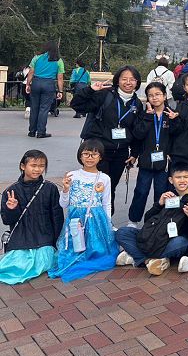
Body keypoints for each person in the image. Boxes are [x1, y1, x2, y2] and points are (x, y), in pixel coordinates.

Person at [70, 65, 144, 215]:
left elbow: (136, 131)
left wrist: (134, 153)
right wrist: (90, 90)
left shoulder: (137, 104)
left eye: (132, 79)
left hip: (120, 153)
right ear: (117, 80)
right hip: (99, 151)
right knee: (97, 186)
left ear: (137, 82)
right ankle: (90, 219)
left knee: (111, 187)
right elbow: (77, 105)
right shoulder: (105, 95)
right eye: (124, 79)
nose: (128, 82)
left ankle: (106, 220)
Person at [115, 163, 188, 275]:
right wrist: (159, 204)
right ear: (171, 180)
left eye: (186, 177)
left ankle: (138, 257)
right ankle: (149, 260)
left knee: (181, 243)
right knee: (122, 232)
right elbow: (147, 220)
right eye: (178, 177)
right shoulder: (168, 195)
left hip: (171, 241)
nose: (182, 180)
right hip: (153, 236)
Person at [49, 140, 117, 282]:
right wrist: (65, 189)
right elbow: (63, 204)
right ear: (80, 156)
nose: (89, 158)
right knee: (74, 245)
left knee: (96, 247)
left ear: (100, 157)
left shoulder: (104, 178)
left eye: (94, 154)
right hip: (75, 219)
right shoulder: (72, 175)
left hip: (96, 218)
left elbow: (106, 203)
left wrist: (108, 224)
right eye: (86, 154)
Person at [0, 150, 63, 284]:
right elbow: (7, 220)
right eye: (33, 165)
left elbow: (57, 217)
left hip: (44, 239)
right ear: (23, 166)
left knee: (43, 262)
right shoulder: (10, 191)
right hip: (21, 239)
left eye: (41, 166)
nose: (37, 169)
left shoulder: (50, 188)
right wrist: (11, 209)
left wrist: (57, 242)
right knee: (13, 268)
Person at [129, 83, 181, 227]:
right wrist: (147, 117)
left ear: (164, 96)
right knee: (141, 191)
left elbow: (177, 135)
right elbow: (137, 135)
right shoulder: (143, 114)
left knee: (161, 193)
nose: (154, 98)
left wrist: (174, 120)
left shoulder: (171, 114)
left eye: (158, 94)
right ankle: (133, 220)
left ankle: (158, 221)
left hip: (164, 163)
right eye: (150, 95)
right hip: (146, 161)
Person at [25, 41, 64, 138]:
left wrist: (28, 84)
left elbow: (31, 72)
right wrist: (60, 91)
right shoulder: (58, 61)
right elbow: (60, 78)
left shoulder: (37, 57)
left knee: (34, 108)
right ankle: (41, 132)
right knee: (44, 109)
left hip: (36, 82)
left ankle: (32, 131)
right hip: (48, 84)